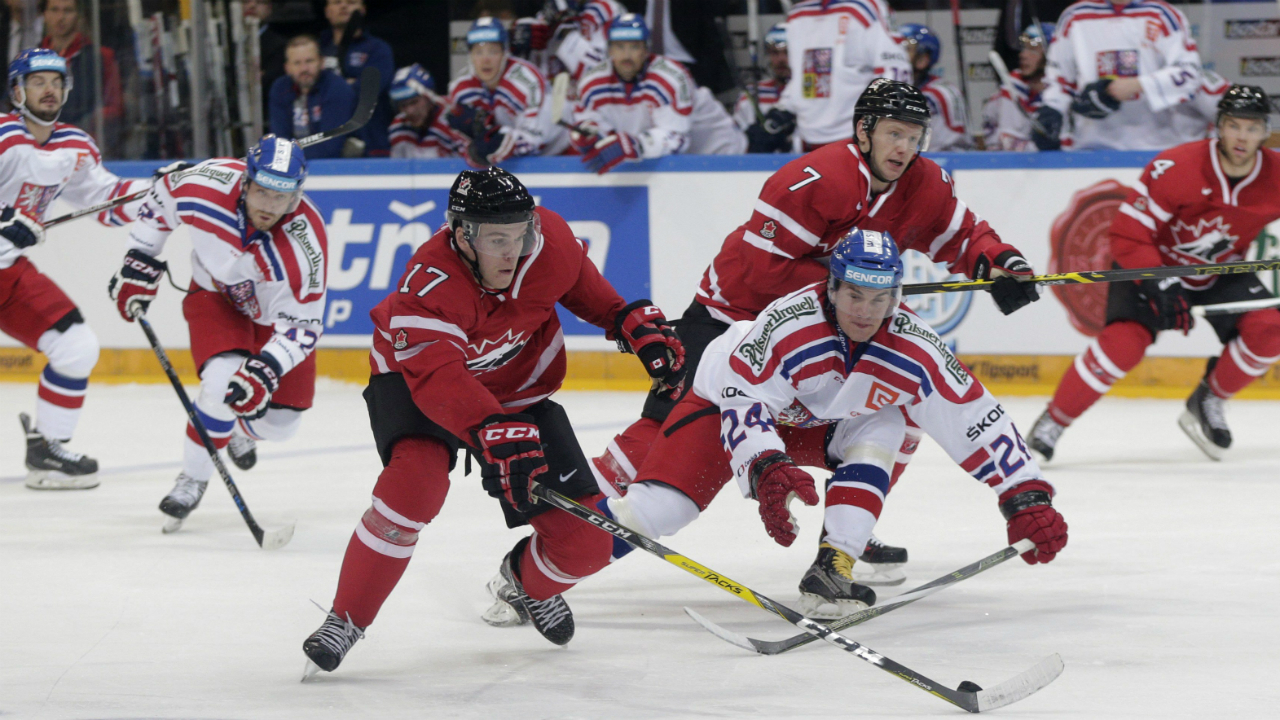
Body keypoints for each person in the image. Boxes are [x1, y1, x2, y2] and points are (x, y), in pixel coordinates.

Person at [585, 79, 1043, 613]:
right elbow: (761, 273)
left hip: (829, 325)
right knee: (665, 434)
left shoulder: (925, 183)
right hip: (731, 317)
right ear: (863, 131)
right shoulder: (815, 178)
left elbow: (961, 236)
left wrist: (999, 262)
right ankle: (580, 492)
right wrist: (856, 283)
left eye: (915, 136)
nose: (905, 148)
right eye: (894, 133)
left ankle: (843, 538)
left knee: (893, 420)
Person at [523, 229, 1069, 620]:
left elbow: (973, 415)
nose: (865, 310)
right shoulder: (790, 325)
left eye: (879, 298)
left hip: (813, 425)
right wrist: (766, 467)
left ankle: (833, 564)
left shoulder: (914, 345)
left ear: (896, 298)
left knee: (886, 427)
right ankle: (529, 578)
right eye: (854, 293)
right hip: (720, 410)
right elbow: (741, 395)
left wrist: (1023, 496)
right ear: (831, 288)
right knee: (657, 514)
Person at [299, 167, 686, 674]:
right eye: (495, 239)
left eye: (519, 234)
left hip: (517, 389)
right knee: (414, 485)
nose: (512, 251)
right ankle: (346, 618)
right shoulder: (428, 282)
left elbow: (585, 290)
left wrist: (627, 321)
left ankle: (522, 583)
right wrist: (488, 428)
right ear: (461, 234)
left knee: (587, 545)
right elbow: (437, 377)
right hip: (417, 385)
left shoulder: (549, 242)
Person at [1028, 86, 1280, 463]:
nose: (1242, 136)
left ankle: (1208, 399)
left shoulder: (1275, 175)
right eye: (1233, 125)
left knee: (1269, 330)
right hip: (1152, 264)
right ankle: (1055, 419)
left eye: (1251, 127)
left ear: (1265, 131)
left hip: (1221, 271)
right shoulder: (1177, 167)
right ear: (1219, 126)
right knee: (1123, 344)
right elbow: (1127, 234)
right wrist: (1159, 279)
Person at [107, 135, 327, 526]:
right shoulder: (202, 185)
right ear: (246, 182)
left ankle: (237, 428)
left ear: (296, 195)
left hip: (274, 323)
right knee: (221, 382)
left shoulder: (305, 245)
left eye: (282, 198)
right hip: (214, 296)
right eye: (262, 193)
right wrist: (139, 259)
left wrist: (267, 368)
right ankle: (192, 479)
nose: (269, 207)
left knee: (280, 426)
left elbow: (302, 327)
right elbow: (159, 202)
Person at [1, 48, 149, 490]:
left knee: (76, 345)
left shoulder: (75, 145)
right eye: (37, 81)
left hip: (7, 271)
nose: (49, 90)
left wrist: (161, 187)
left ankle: (48, 448)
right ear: (17, 91)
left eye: (56, 82)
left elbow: (106, 203)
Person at [570, 14, 742, 174]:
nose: (626, 56)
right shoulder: (591, 84)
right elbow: (596, 130)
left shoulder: (671, 77)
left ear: (646, 50)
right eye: (620, 47)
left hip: (720, 153)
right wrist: (590, 138)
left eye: (634, 47)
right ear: (609, 51)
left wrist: (638, 144)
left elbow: (678, 138)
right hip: (662, 163)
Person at [1034, 0, 1203, 151]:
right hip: (1092, 146)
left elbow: (1190, 74)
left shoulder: (1162, 14)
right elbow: (1059, 79)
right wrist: (1052, 109)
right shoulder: (1074, 17)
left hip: (1155, 146)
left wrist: (1139, 85)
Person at [778, 0, 910, 150]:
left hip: (854, 138)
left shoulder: (865, 7)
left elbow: (894, 69)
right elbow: (800, 76)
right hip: (805, 140)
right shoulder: (797, 14)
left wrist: (877, 126)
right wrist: (783, 109)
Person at [448, 17, 554, 167]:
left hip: (555, 156)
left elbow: (535, 141)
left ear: (505, 53)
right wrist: (474, 141)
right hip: (504, 169)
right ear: (470, 56)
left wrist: (501, 139)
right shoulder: (462, 89)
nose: (485, 60)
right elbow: (459, 148)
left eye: (493, 51)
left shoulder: (527, 81)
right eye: (478, 52)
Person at [38, 0, 122, 146]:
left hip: (84, 145)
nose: (60, 17)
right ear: (45, 15)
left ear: (79, 16)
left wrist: (91, 122)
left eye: (68, 11)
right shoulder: (32, 58)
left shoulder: (102, 56)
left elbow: (115, 106)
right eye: (54, 10)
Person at [320, 0, 394, 156]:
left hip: (371, 144)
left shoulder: (378, 50)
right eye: (337, 2)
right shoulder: (317, 50)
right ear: (327, 11)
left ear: (362, 9)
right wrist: (350, 84)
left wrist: (331, 90)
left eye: (351, 2)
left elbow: (368, 92)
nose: (344, 6)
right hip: (325, 146)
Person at [268, 35, 357, 160]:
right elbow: (280, 141)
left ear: (321, 62)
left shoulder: (337, 88)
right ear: (287, 68)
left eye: (309, 61)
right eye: (297, 63)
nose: (304, 69)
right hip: (293, 166)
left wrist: (289, 157)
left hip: (337, 169)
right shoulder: (280, 88)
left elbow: (330, 147)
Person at [511, 0, 626, 84]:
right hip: (552, 111)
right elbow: (535, 86)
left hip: (594, 109)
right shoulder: (542, 19)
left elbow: (608, 77)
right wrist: (520, 52)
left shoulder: (608, 11)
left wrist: (565, 29)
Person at [898, 23, 970, 152]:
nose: (896, 55)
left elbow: (954, 149)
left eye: (906, 49)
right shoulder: (886, 91)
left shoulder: (939, 94)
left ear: (923, 60)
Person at [982, 22, 1053, 152]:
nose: (1023, 55)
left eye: (1033, 49)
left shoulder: (1064, 92)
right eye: (1023, 48)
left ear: (1052, 53)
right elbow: (1007, 142)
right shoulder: (1012, 84)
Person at [734, 22, 795, 154]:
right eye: (774, 52)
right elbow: (739, 145)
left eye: (787, 52)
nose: (781, 59)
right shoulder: (750, 96)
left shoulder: (813, 95)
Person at [387, 64, 467, 159]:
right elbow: (396, 171)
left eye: (414, 102)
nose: (410, 111)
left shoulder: (454, 123)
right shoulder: (398, 128)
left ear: (429, 97)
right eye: (403, 105)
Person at [243, 0, 287, 121]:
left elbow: (267, 84)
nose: (251, 5)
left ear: (269, 8)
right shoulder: (227, 44)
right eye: (246, 1)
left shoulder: (279, 46)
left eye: (259, 2)